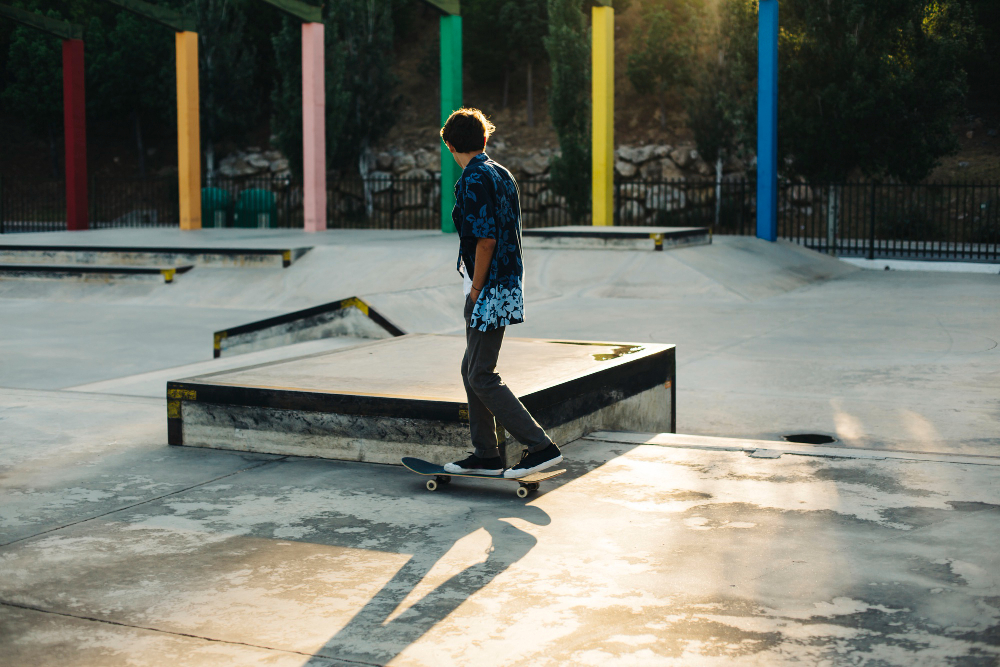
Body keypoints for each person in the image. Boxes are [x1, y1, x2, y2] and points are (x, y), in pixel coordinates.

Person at [439, 108, 563, 479]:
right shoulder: (502, 174)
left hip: (488, 288)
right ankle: (486, 454)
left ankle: (540, 446)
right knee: (471, 369)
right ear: (484, 139)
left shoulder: (474, 178)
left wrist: (476, 288)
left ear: (450, 145)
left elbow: (486, 239)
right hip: (506, 284)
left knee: (480, 375)